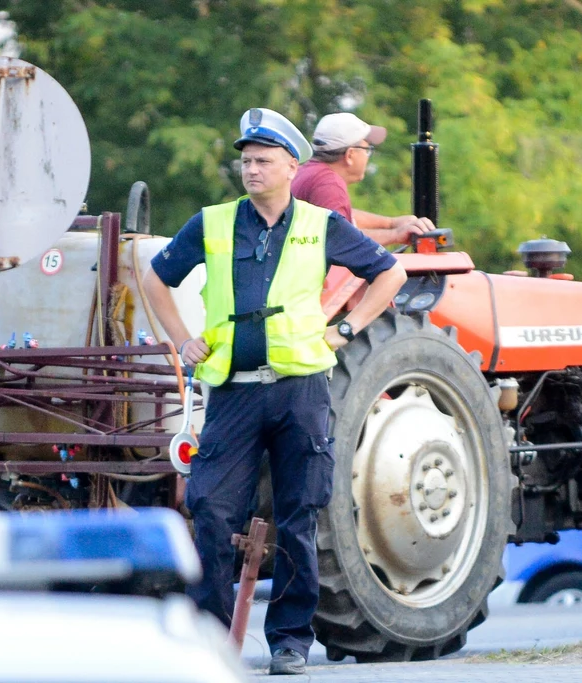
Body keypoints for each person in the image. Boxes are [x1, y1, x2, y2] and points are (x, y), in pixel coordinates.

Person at [142, 108, 406, 675]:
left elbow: (391, 274)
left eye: (263, 161)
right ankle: (210, 641)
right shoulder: (212, 223)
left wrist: (346, 329)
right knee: (211, 511)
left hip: (300, 392)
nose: (251, 169)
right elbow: (154, 278)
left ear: (292, 166)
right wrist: (183, 340)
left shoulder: (320, 223)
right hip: (233, 393)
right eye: (245, 161)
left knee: (299, 516)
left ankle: (290, 641)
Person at [292, 112, 435, 246]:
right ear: (350, 155)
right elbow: (340, 240)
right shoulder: (329, 184)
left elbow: (343, 219)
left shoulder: (308, 172)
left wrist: (391, 223)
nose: (368, 157)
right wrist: (396, 235)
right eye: (367, 150)